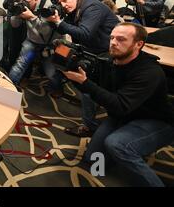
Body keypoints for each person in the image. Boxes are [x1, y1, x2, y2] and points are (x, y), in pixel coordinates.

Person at [63, 23, 174, 187]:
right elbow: (96, 90)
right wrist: (73, 76)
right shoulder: (109, 60)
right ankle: (131, 148)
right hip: (123, 115)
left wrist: (86, 83)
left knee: (116, 144)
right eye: (112, 38)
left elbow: (119, 105)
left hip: (156, 120)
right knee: (95, 163)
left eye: (121, 39)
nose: (113, 42)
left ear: (138, 44)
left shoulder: (149, 72)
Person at [46, 0, 120, 136]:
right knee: (59, 52)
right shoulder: (74, 10)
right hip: (90, 48)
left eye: (66, 0)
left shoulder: (92, 7)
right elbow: (63, 29)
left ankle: (89, 126)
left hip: (106, 52)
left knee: (87, 87)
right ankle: (62, 85)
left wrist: (59, 22)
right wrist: (52, 21)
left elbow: (85, 33)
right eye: (61, 2)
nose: (64, 5)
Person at [8, 0, 64, 94]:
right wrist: (16, 14)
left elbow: (45, 31)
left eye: (27, 2)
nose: (26, 4)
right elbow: (15, 25)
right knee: (20, 64)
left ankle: (57, 90)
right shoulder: (25, 5)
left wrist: (32, 17)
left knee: (51, 72)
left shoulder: (48, 7)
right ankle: (8, 88)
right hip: (32, 41)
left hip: (50, 44)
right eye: (23, 1)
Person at [3, 0, 31, 70]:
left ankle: (27, 74)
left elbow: (37, 5)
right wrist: (10, 1)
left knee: (26, 49)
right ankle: (11, 69)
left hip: (28, 22)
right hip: (13, 21)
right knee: (13, 46)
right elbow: (5, 5)